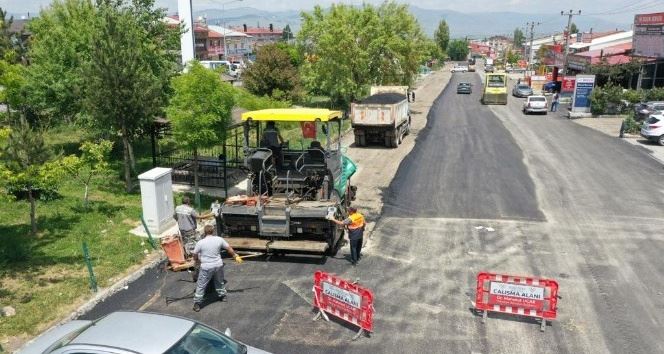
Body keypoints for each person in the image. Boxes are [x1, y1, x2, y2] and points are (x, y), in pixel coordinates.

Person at [192, 225, 243, 312]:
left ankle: (197, 303)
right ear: (213, 231)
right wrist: (235, 256)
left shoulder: (200, 242)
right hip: (218, 265)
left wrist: (196, 261)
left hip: (206, 267)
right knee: (219, 281)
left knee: (201, 284)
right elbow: (229, 248)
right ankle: (222, 296)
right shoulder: (219, 239)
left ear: (204, 232)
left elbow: (195, 254)